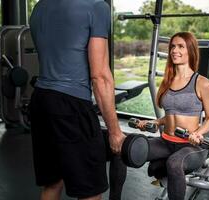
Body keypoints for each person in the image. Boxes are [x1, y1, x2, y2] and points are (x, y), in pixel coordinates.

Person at [29, 0, 126, 200]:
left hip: (41, 101)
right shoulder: (96, 7)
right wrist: (115, 132)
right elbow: (100, 76)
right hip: (71, 106)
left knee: (52, 183)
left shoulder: (40, 7)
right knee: (90, 191)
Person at [137, 32, 209, 200]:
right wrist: (155, 122)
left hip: (190, 146)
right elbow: (171, 115)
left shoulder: (203, 83)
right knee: (130, 148)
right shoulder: (167, 81)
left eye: (181, 46)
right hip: (166, 141)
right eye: (172, 46)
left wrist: (198, 133)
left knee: (174, 163)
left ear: (191, 50)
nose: (174, 50)